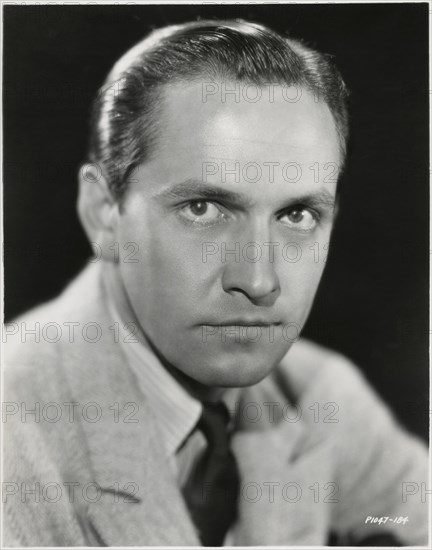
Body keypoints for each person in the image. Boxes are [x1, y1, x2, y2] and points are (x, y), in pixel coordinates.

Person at [3, 19, 428, 547]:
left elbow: (411, 518)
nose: (258, 280)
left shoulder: (316, 392)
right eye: (203, 208)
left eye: (296, 214)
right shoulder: (14, 445)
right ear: (104, 214)